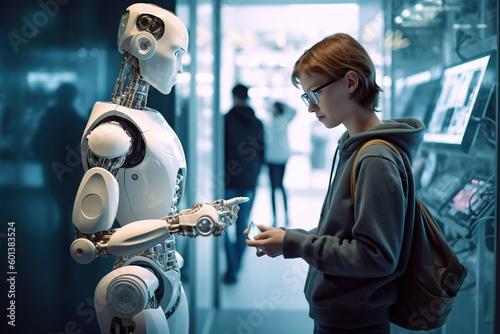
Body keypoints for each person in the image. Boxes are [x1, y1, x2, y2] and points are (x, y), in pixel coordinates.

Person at [245, 33, 424, 334]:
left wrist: (295, 244)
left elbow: (376, 256)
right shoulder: (355, 146)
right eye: (307, 98)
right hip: (344, 317)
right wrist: (289, 237)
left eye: (314, 94)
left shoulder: (375, 157)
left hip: (354, 324)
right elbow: (344, 233)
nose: (311, 107)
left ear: (351, 83)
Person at [224, 84, 265, 284]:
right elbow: (262, 153)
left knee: (222, 225)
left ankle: (232, 266)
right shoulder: (257, 123)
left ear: (233, 96)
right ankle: (236, 265)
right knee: (243, 223)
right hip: (249, 180)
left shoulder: (226, 120)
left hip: (228, 179)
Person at [264, 101, 295, 227]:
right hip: (275, 157)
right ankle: (278, 216)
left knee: (277, 187)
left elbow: (293, 110)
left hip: (277, 157)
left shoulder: (279, 120)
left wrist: (281, 104)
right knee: (276, 187)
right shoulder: (275, 121)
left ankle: (281, 216)